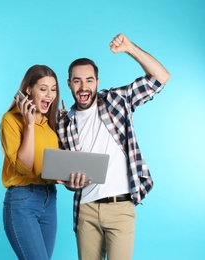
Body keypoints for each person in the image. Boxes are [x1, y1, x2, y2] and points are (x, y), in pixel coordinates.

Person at [57, 33, 170, 260]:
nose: (83, 86)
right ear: (69, 84)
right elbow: (68, 176)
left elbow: (161, 77)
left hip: (120, 208)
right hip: (85, 210)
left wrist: (130, 49)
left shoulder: (117, 100)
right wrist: (70, 182)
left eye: (89, 80)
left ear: (97, 82)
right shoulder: (63, 123)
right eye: (77, 80)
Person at [0, 65, 60, 260]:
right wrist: (30, 124)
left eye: (53, 89)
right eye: (43, 89)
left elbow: (52, 170)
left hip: (49, 200)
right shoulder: (10, 120)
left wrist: (69, 179)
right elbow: (23, 167)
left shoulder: (50, 128)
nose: (49, 95)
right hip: (22, 201)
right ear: (28, 90)